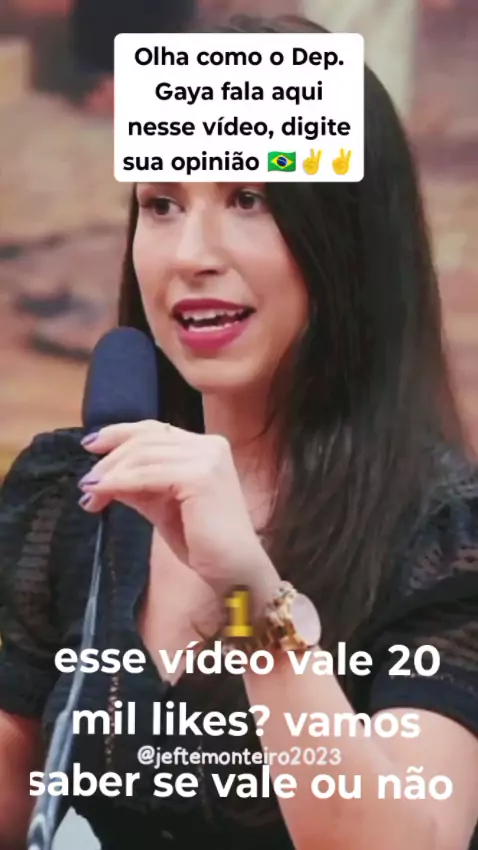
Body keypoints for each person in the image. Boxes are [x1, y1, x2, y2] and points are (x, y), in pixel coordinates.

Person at [1, 12, 478, 850]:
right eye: (161, 204)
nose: (191, 253)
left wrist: (252, 601)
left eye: (248, 198)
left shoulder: (444, 535)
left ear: (346, 237)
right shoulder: (66, 496)